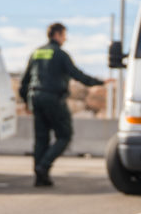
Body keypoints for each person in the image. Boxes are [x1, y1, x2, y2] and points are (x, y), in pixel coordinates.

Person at [19, 22, 104, 187]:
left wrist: (27, 102)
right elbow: (77, 74)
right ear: (57, 35)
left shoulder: (36, 53)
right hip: (53, 99)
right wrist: (98, 82)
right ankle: (43, 166)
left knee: (41, 139)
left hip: (36, 98)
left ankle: (40, 177)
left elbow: (24, 82)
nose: (65, 38)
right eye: (64, 35)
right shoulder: (60, 54)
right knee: (65, 135)